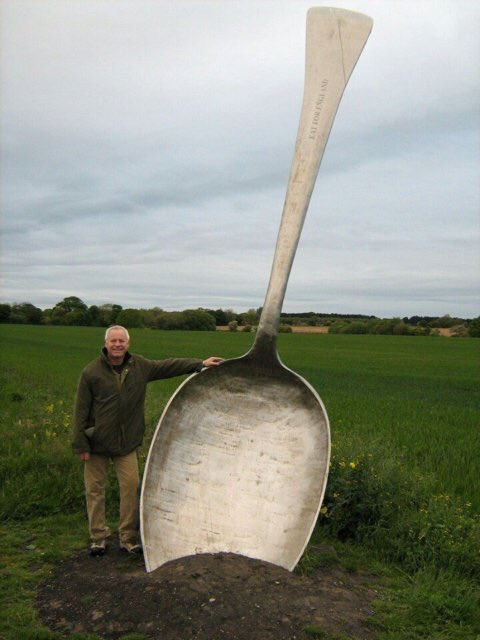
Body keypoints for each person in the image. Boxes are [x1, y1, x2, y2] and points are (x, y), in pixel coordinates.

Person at [72, 325, 223, 556]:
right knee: (95, 490)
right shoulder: (91, 372)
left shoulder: (139, 366)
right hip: (97, 443)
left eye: (122, 341)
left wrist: (199, 364)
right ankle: (98, 537)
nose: (117, 345)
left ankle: (128, 537)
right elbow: (80, 411)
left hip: (127, 444)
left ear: (128, 344)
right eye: (113, 341)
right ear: (106, 344)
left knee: (131, 489)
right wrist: (81, 445)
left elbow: (167, 366)